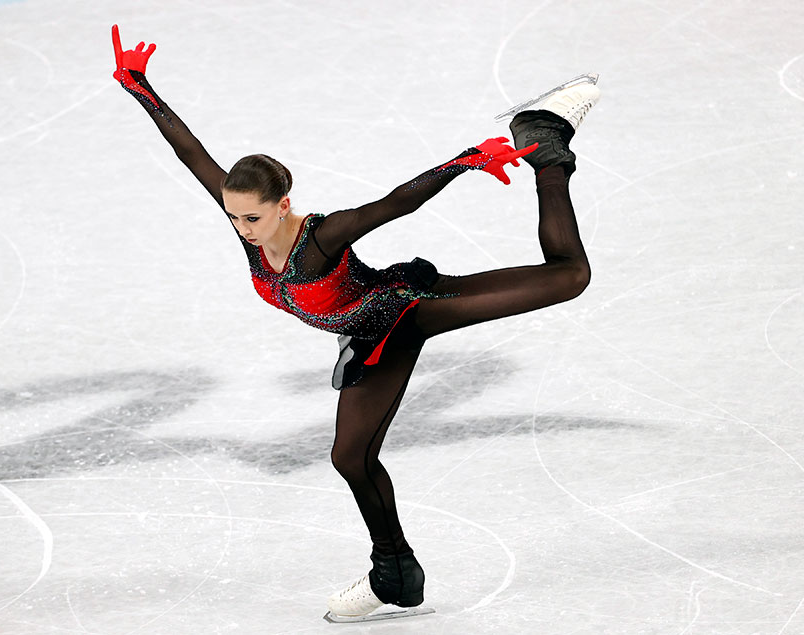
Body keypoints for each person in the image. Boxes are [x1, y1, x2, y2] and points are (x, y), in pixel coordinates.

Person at [111, 25, 599, 619]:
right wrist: (141, 88)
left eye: (251, 218)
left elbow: (394, 203)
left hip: (411, 306)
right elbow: (191, 154)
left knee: (569, 277)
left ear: (282, 206)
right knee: (350, 457)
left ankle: (544, 142)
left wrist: (464, 163)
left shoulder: (322, 237)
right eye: (233, 216)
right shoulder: (248, 226)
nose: (241, 228)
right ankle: (394, 573)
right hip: (371, 338)